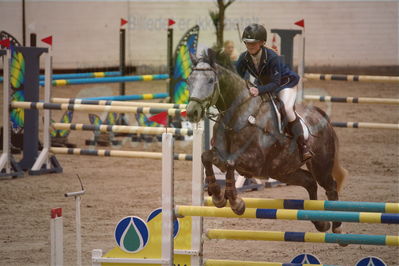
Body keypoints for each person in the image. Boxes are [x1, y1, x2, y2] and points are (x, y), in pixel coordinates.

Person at [235, 23, 312, 162]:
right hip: (264, 86)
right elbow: (236, 75)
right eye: (247, 42)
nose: (250, 46)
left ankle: (303, 146)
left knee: (287, 109)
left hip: (284, 84)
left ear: (262, 42)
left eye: (253, 43)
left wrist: (258, 90)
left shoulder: (272, 57)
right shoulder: (244, 58)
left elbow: (276, 83)